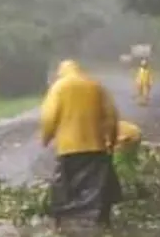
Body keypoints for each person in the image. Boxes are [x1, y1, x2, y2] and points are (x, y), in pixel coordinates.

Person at [41, 59, 121, 226]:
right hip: (95, 145)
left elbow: (49, 117)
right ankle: (97, 217)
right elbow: (111, 116)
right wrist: (111, 140)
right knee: (96, 185)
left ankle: (66, 217)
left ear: (61, 72)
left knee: (65, 185)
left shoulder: (59, 87)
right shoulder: (95, 86)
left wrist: (46, 138)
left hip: (67, 148)